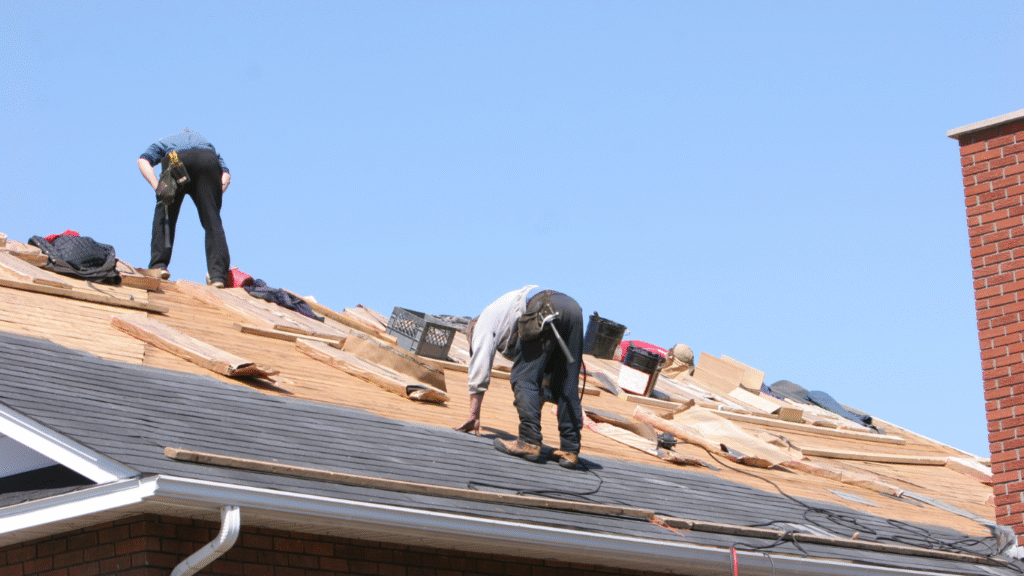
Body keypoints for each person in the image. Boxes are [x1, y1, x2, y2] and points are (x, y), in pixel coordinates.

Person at [454, 285, 585, 469]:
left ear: (473, 328)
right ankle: (570, 449)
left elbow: (481, 363)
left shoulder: (483, 321)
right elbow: (544, 379)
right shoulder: (505, 311)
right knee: (566, 381)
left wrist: (473, 414)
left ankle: (529, 441)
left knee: (523, 377)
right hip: (572, 308)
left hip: (545, 306)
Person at [137, 129, 231, 286]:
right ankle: (218, 276)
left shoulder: (165, 141)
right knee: (212, 221)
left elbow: (142, 160)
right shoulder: (207, 145)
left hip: (175, 160)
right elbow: (226, 176)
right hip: (207, 161)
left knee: (165, 213)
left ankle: (158, 266)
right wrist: (212, 199)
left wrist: (159, 189)